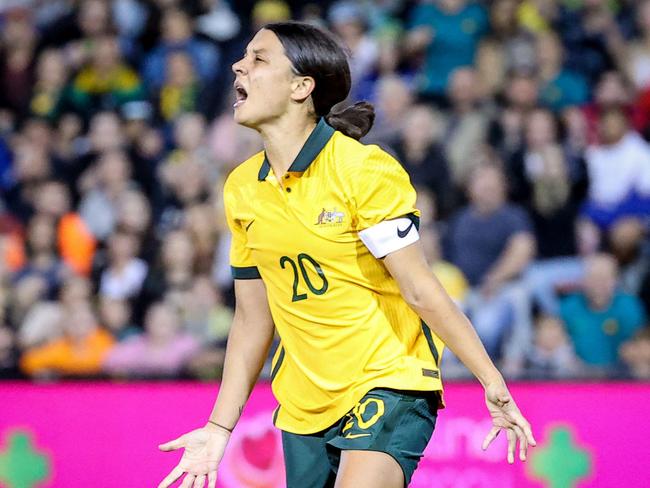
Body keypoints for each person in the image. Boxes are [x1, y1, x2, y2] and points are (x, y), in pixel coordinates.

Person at [157, 22, 535, 488]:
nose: (239, 65)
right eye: (243, 56)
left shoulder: (362, 169)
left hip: (388, 379)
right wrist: (218, 428)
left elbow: (418, 288)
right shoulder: (240, 189)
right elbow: (253, 319)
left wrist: (490, 379)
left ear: (301, 87)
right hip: (303, 402)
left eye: (259, 58)